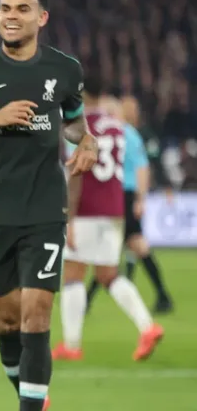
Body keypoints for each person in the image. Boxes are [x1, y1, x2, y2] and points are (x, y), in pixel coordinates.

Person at [0, 0, 99, 411]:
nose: (11, 17)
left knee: (36, 315)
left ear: (42, 18)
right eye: (5, 9)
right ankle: (33, 398)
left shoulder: (65, 69)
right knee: (7, 321)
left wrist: (88, 141)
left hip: (45, 208)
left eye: (22, 9)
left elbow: (74, 123)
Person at [52, 77, 164, 362]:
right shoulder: (118, 125)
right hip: (114, 208)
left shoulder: (78, 125)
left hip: (87, 209)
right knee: (108, 275)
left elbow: (76, 173)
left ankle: (72, 345)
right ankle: (148, 327)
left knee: (73, 274)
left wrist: (69, 218)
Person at [84, 96, 173, 314]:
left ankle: (86, 299)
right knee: (118, 248)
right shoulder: (114, 133)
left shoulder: (127, 134)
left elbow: (142, 167)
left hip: (125, 195)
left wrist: (140, 199)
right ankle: (162, 296)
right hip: (116, 195)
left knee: (126, 246)